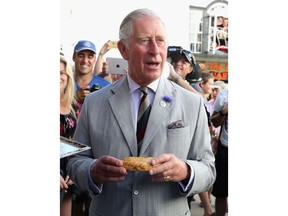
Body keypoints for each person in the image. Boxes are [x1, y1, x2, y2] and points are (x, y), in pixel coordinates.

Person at [67, 8, 216, 216]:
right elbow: (75, 162)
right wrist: (91, 171)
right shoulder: (94, 103)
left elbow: (208, 169)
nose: (155, 50)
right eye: (145, 40)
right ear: (124, 49)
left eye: (160, 40)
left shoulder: (191, 103)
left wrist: (186, 170)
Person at [60, 54, 78, 216]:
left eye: (61, 72)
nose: (58, 77)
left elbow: (78, 141)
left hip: (68, 174)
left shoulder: (73, 106)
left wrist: (75, 169)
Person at [73, 40, 111, 110]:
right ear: (74, 57)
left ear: (94, 60)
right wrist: (75, 97)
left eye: (90, 57)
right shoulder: (64, 83)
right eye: (81, 55)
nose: (85, 60)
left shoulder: (106, 86)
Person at [211, 88, 228, 216]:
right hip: (226, 150)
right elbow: (214, 121)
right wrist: (223, 112)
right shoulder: (225, 94)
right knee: (221, 193)